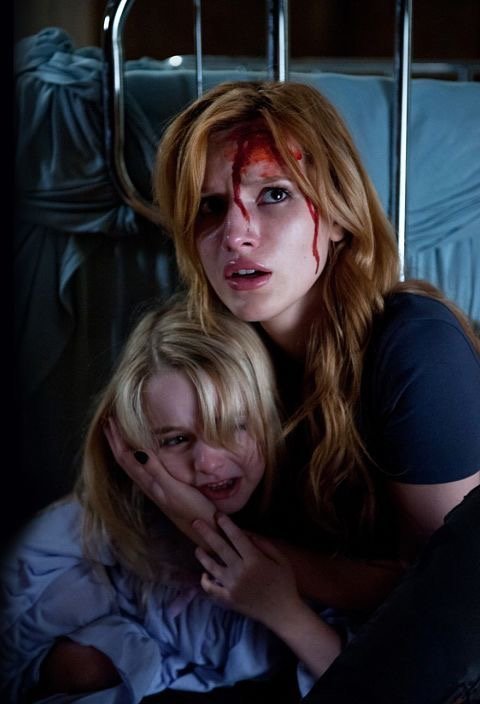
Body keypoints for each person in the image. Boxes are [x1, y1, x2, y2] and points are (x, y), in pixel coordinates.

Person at [106, 81, 480, 702]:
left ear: (337, 215)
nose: (235, 235)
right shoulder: (217, 365)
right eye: (209, 207)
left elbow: (446, 608)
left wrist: (205, 525)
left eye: (274, 194)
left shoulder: (415, 348)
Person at [0, 297, 350, 704]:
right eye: (176, 439)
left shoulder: (325, 515)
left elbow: (377, 686)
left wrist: (281, 610)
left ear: (271, 415)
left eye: (233, 426)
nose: (209, 462)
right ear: (135, 447)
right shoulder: (86, 535)